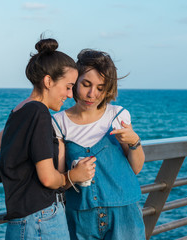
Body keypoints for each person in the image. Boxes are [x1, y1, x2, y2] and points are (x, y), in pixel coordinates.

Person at [0, 38, 96, 240]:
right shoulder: (40, 113)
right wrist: (74, 175)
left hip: (22, 220)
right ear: (48, 81)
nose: (70, 94)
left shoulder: (20, 109)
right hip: (41, 219)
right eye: (68, 86)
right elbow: (48, 178)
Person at [51, 49, 146, 240]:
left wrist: (135, 142)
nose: (91, 94)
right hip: (80, 216)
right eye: (86, 84)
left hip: (124, 212)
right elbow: (60, 179)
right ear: (75, 81)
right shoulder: (59, 122)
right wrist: (73, 175)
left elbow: (135, 168)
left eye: (100, 88)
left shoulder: (118, 116)